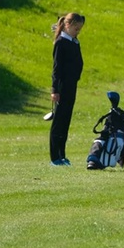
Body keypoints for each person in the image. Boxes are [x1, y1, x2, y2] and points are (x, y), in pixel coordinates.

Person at [50, 13, 85, 166]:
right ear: (68, 25)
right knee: (58, 122)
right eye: (76, 29)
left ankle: (62, 155)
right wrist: (54, 90)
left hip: (72, 86)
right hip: (62, 87)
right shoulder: (61, 43)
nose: (78, 32)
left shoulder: (74, 42)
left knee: (66, 122)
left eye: (80, 30)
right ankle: (55, 157)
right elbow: (56, 69)